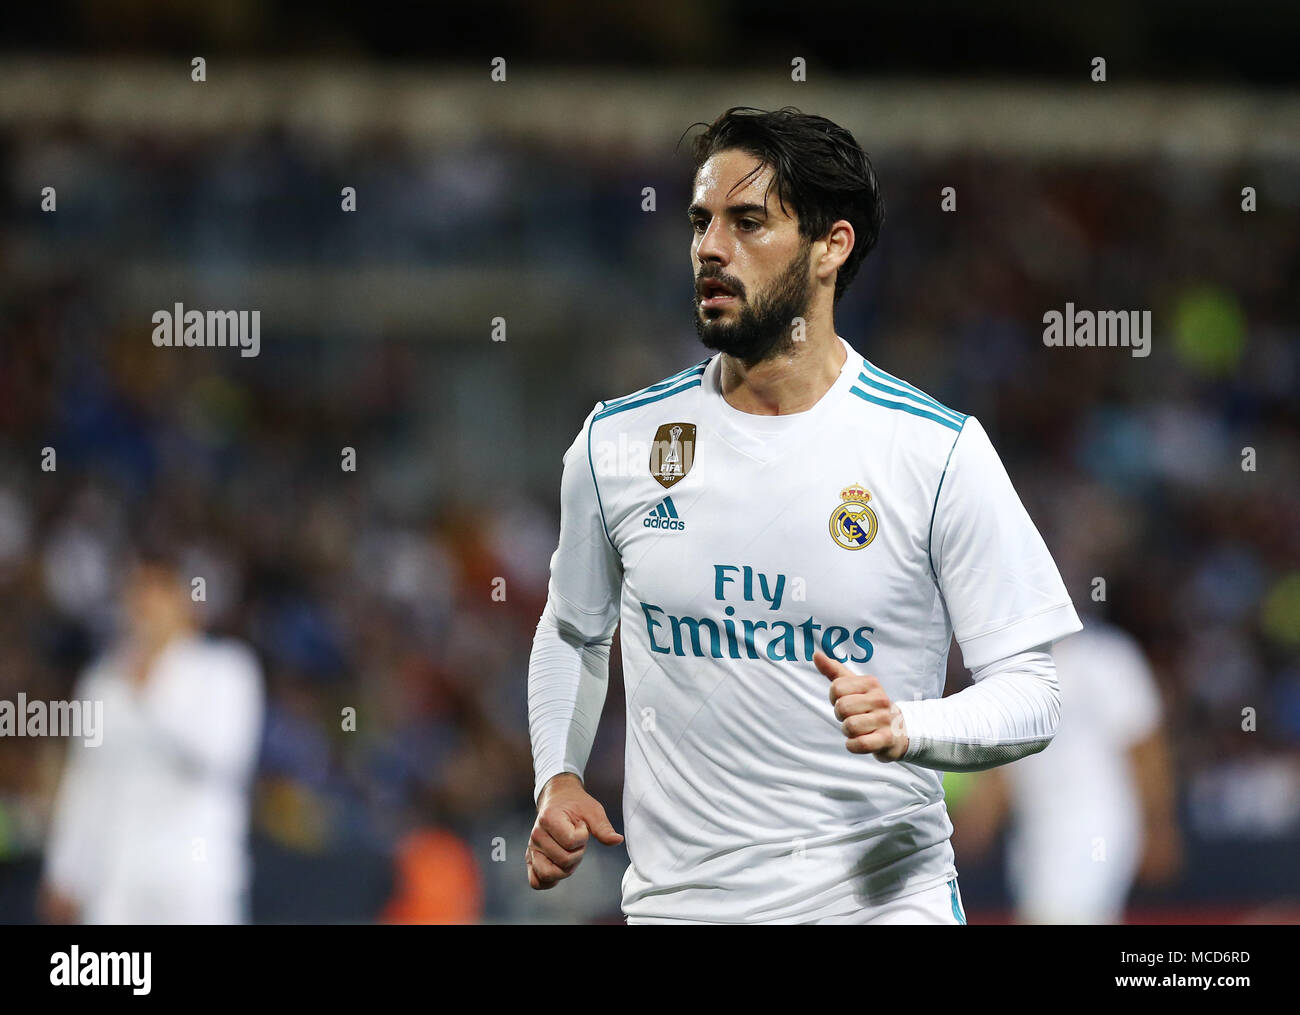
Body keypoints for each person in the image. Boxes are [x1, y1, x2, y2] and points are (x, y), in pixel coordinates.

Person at [525, 106, 1082, 924]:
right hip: (680, 909)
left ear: (832, 246)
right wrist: (559, 774)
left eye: (748, 222)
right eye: (701, 221)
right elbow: (574, 629)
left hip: (883, 904)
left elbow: (1034, 691)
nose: (710, 247)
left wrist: (908, 724)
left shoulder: (934, 452)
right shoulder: (618, 443)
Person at [39, 551, 264, 924]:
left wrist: (152, 692)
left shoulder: (226, 671)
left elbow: (221, 757)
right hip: (117, 877)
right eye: (138, 592)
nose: (146, 605)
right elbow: (86, 779)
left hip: (195, 878)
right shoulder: (104, 680)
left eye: (160, 592)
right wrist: (64, 871)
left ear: (188, 603)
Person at [953, 621, 1182, 923]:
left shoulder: (1106, 656)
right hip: (1033, 832)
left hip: (1096, 825)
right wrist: (973, 826)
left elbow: (1144, 746)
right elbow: (1003, 763)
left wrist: (1158, 825)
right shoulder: (1002, 670)